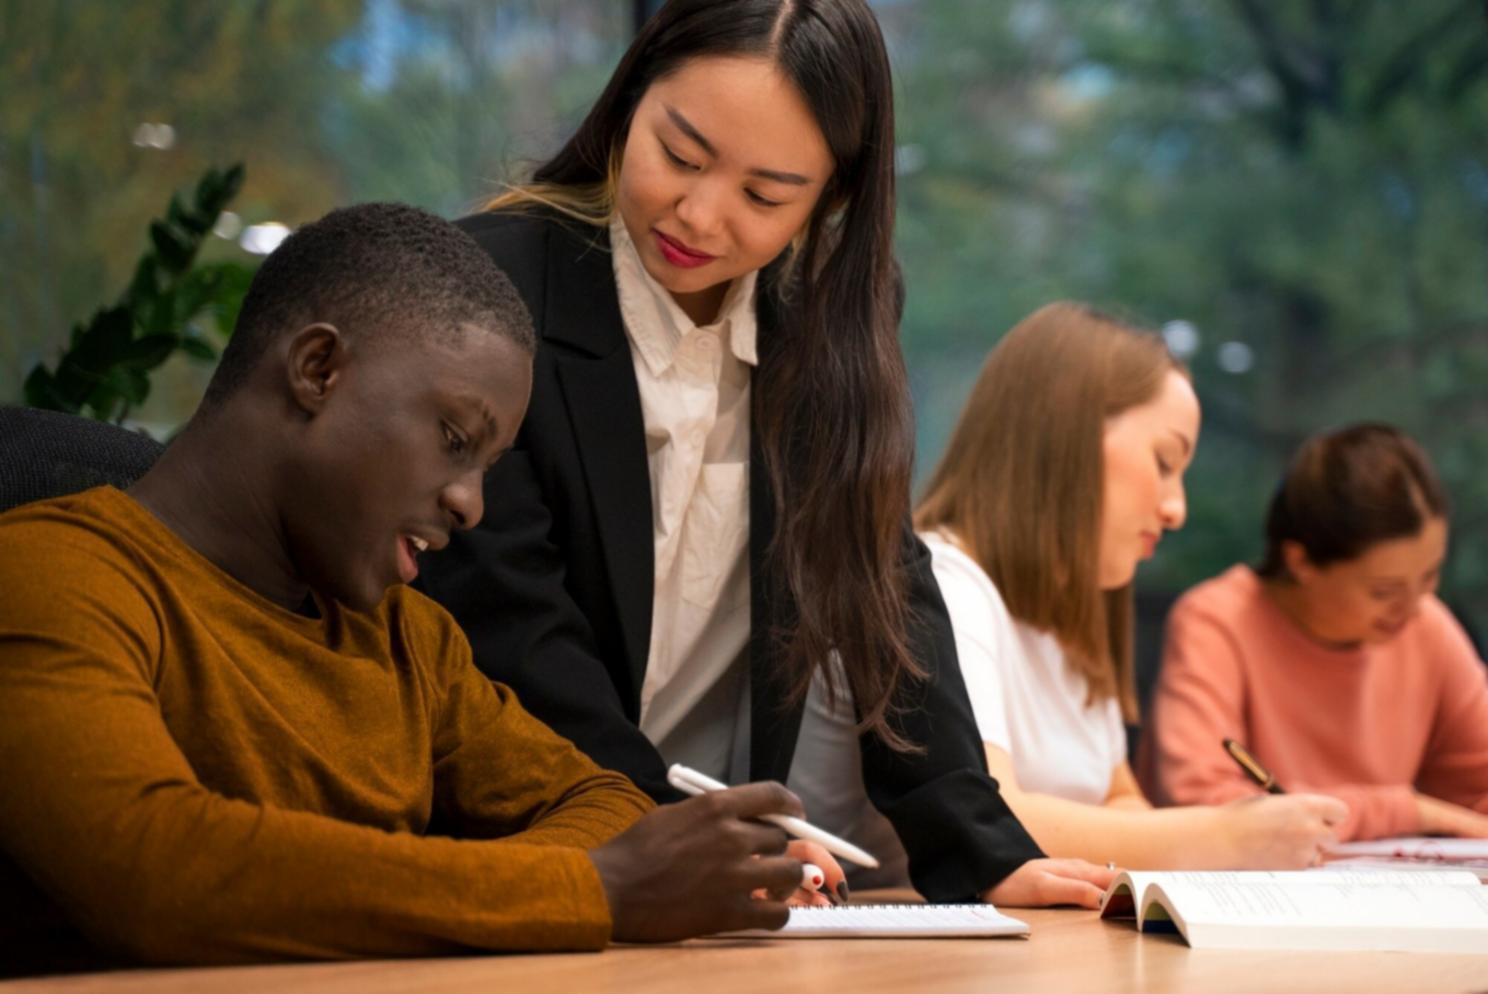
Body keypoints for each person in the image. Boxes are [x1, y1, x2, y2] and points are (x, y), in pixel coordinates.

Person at [0, 203, 824, 977]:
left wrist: (551, 883)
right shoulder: (53, 574)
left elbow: (601, 799)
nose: (470, 504)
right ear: (317, 369)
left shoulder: (409, 639)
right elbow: (152, 869)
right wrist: (593, 890)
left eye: (486, 468)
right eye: (454, 441)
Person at [419, 0, 1110, 906]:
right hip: (503, 844)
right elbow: (511, 624)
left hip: (709, 872)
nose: (700, 216)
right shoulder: (491, 287)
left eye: (764, 195)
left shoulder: (829, 315)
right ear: (630, 96)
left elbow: (884, 581)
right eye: (680, 153)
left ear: (833, 196)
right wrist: (665, 839)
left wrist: (984, 852)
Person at [913, 302, 1347, 869]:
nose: (1176, 509)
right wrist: (1223, 835)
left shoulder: (1068, 611)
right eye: (1164, 462)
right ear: (1063, 437)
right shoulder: (943, 585)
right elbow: (987, 818)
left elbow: (1119, 798)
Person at [1139, 423, 1488, 841]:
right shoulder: (1216, 623)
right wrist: (1403, 810)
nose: (1412, 608)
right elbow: (1200, 802)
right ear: (1300, 561)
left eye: (1430, 577)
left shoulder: (1428, 626)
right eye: (1384, 591)